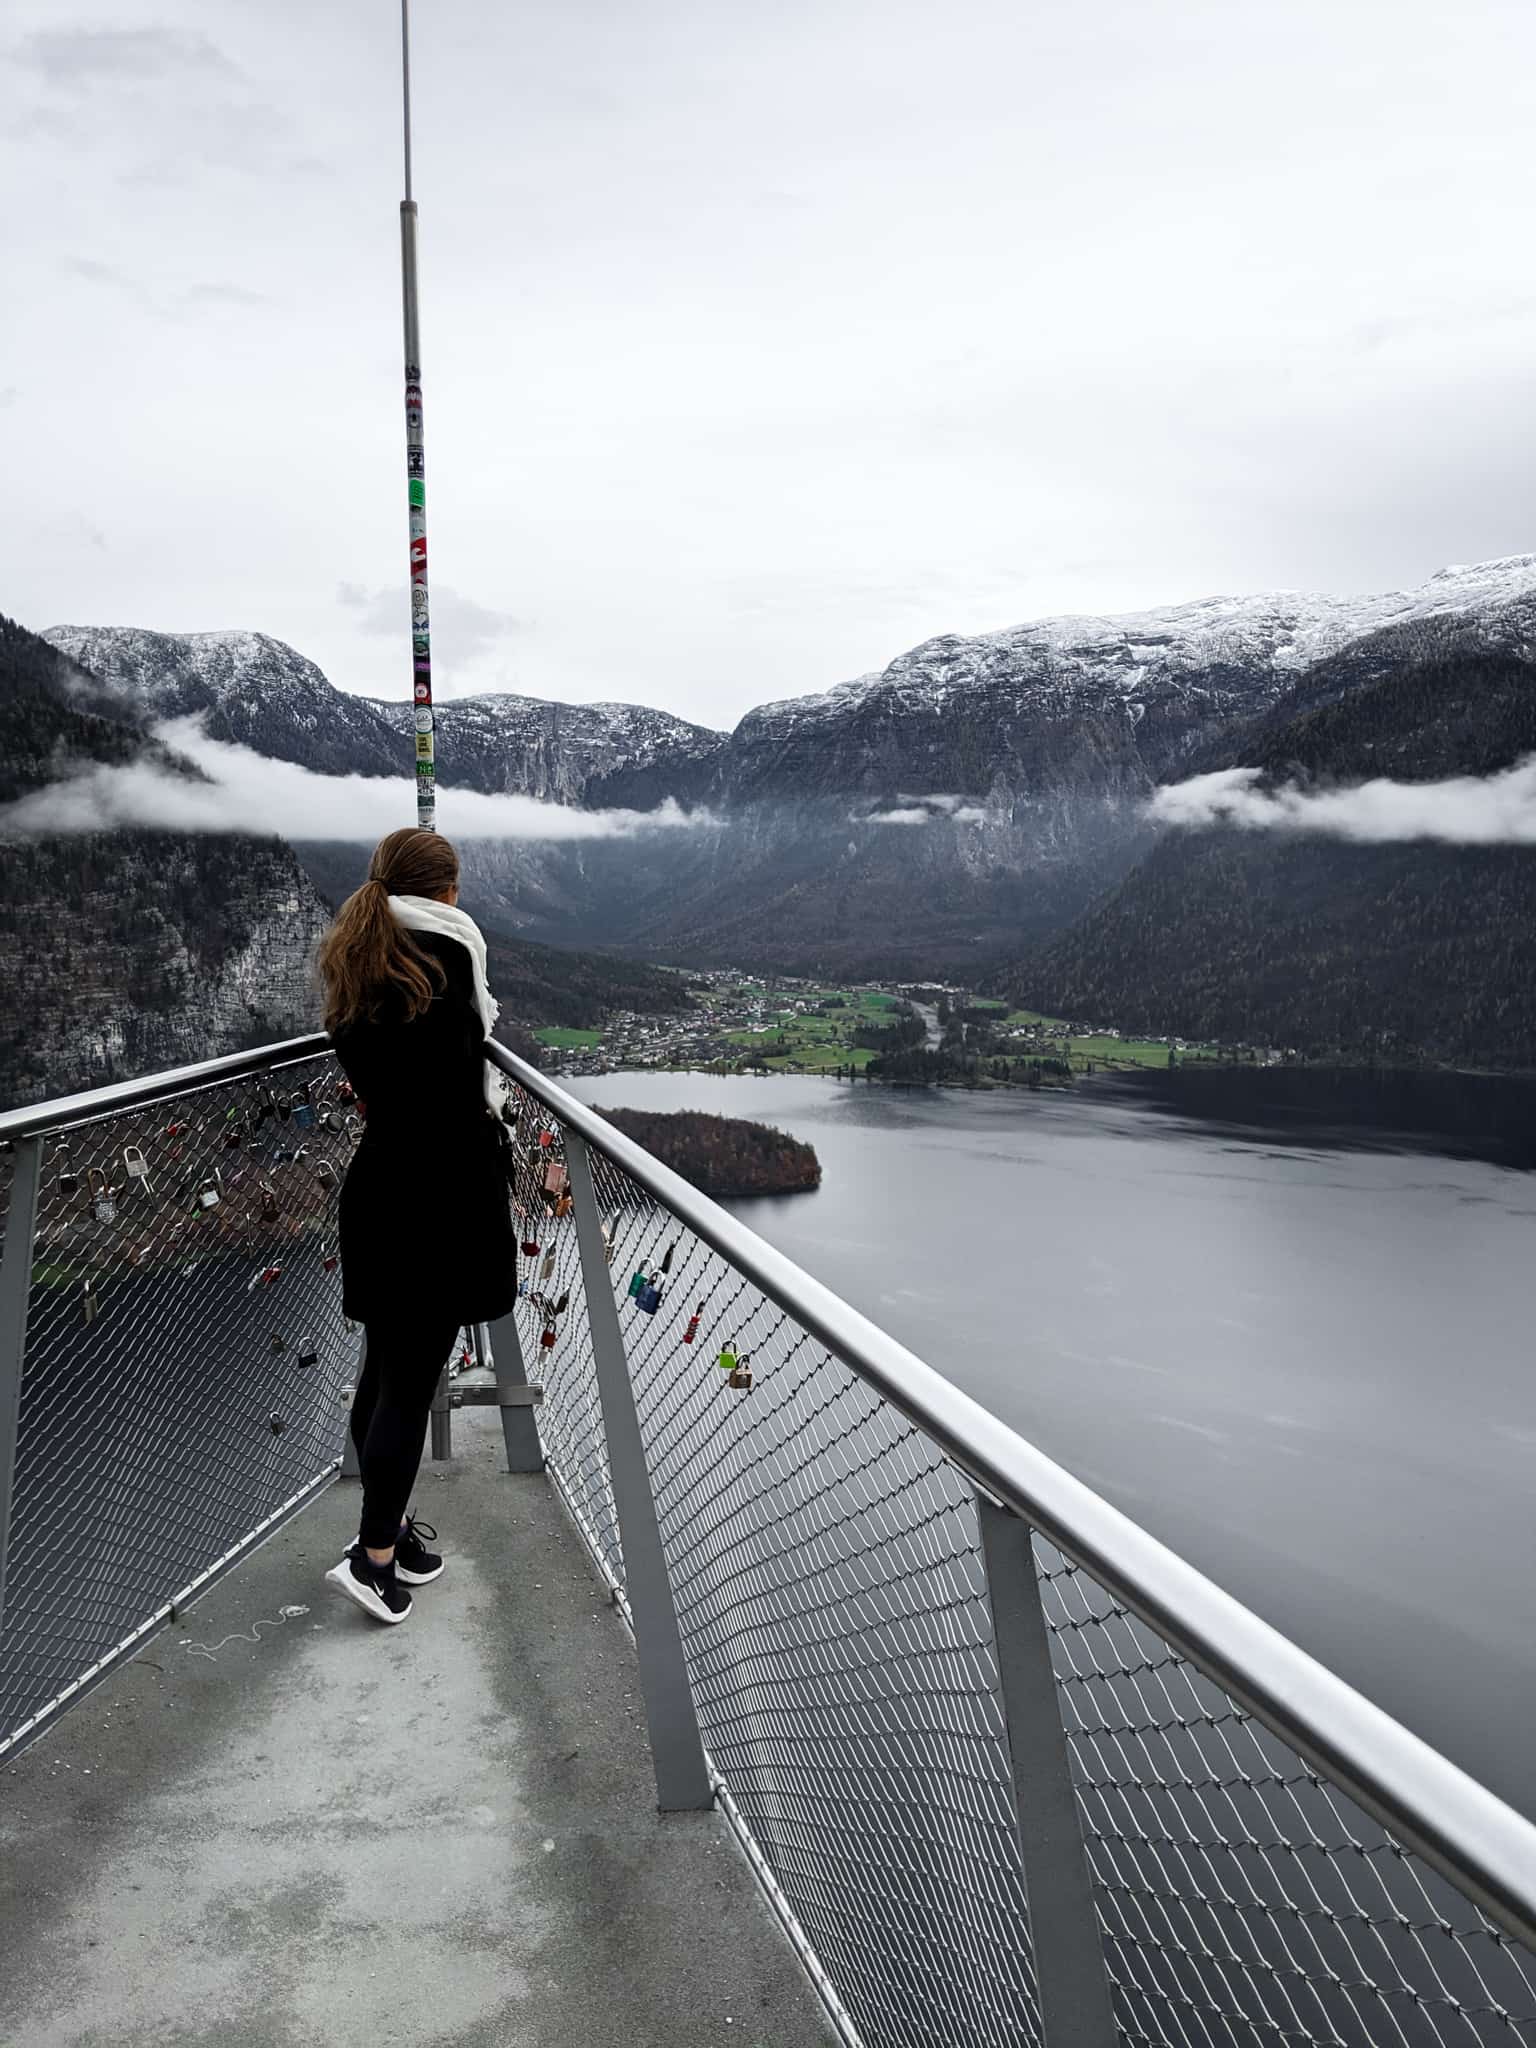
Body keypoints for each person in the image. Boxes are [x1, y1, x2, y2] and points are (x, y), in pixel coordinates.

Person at [317, 827, 517, 1624]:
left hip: (381, 1192)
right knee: (407, 1383)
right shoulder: (438, 972)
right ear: (446, 893)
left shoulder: (364, 968)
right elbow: (451, 1106)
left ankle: (390, 1530)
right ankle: (371, 1561)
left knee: (384, 1371)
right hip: (437, 1203)